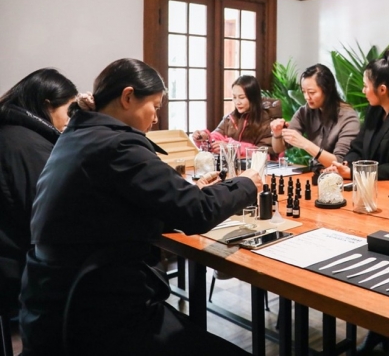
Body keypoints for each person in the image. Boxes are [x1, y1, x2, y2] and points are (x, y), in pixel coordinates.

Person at [19, 58, 260, 356]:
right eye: (155, 107)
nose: (156, 118)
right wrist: (247, 184)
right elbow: (198, 213)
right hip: (95, 313)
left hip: (54, 302)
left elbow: (124, 204)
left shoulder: (78, 134)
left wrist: (188, 193)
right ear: (128, 96)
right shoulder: (117, 145)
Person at [0, 69, 77, 317]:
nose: (71, 120)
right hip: (16, 267)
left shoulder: (12, 132)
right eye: (69, 110)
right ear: (47, 105)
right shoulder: (26, 145)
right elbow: (48, 214)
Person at [329, 50, 389, 180]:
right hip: (365, 184)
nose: (363, 91)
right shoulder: (374, 110)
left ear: (382, 89)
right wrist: (346, 165)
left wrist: (354, 173)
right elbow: (357, 148)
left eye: (366, 86)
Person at [270, 64, 360, 167]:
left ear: (327, 90)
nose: (306, 97)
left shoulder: (348, 117)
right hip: (316, 171)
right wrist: (277, 134)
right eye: (304, 91)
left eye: (311, 92)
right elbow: (279, 148)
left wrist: (305, 144)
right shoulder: (305, 111)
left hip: (337, 175)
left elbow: (339, 162)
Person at [192, 74, 280, 157]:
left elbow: (265, 154)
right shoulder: (229, 119)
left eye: (241, 97)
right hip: (231, 166)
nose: (237, 102)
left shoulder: (268, 122)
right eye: (234, 97)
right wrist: (204, 138)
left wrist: (232, 148)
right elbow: (216, 138)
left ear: (253, 97)